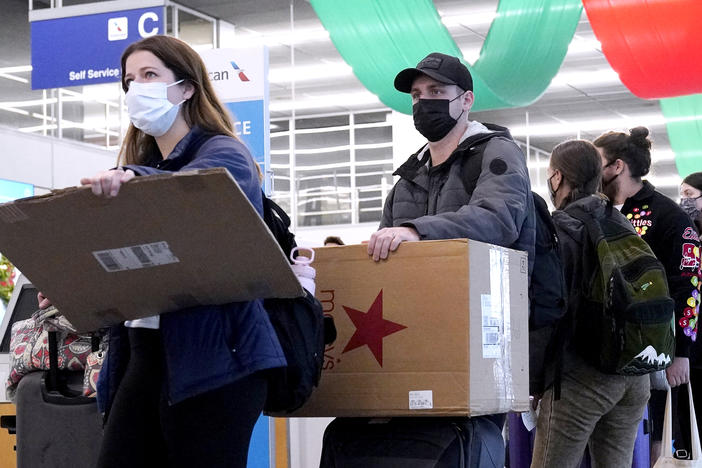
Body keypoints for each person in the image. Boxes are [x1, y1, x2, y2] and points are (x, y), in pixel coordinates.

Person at [79, 36, 286, 468]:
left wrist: (131, 176)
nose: (137, 88)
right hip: (145, 351)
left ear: (187, 88)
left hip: (215, 359)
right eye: (129, 80)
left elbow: (195, 194)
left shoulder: (225, 153)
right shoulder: (144, 164)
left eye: (150, 75)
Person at [352, 52, 535, 467]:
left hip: (484, 336)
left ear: (466, 100)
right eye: (417, 95)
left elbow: (499, 218)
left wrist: (418, 231)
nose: (423, 102)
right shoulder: (407, 179)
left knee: (470, 445)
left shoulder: (495, 154)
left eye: (437, 92)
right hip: (414, 338)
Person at [530, 139, 650, 467]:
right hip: (634, 375)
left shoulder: (562, 230)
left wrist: (535, 381)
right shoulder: (622, 222)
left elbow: (548, 310)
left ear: (557, 178)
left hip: (583, 376)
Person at [594, 128, 701, 461]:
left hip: (655, 348)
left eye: (597, 160)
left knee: (659, 432)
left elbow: (690, 282)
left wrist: (682, 351)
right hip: (602, 351)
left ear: (617, 166)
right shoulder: (595, 211)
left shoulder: (668, 216)